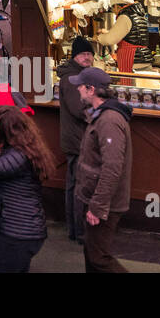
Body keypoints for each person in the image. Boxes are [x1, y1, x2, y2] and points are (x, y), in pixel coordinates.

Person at [72, 66, 133, 272]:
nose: (77, 89)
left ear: (91, 89)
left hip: (105, 204)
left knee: (98, 257)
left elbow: (112, 167)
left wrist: (98, 207)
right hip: (95, 198)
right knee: (91, 252)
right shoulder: (101, 115)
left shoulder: (109, 120)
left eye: (80, 86)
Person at [0, 105, 50, 272]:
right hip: (22, 230)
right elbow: (12, 188)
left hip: (20, 233)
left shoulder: (19, 154)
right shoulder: (23, 149)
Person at [58, 37, 94, 243]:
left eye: (89, 54)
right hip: (77, 140)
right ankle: (79, 231)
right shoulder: (73, 79)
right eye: (83, 54)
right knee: (79, 187)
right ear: (75, 56)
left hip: (76, 139)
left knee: (74, 185)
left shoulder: (80, 76)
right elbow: (78, 109)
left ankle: (74, 229)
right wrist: (99, 109)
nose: (87, 57)